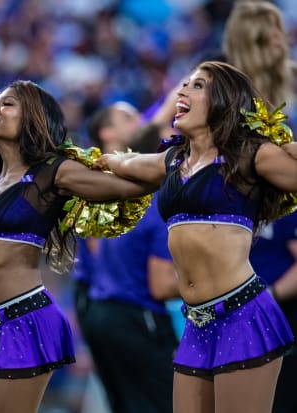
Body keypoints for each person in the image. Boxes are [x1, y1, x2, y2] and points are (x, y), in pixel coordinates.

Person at [97, 60, 297, 412]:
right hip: (196, 322)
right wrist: (92, 161)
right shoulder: (173, 161)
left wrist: (289, 147)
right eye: (184, 84)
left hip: (243, 314)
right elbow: (125, 163)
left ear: (224, 101)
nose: (183, 90)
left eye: (198, 85)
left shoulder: (251, 154)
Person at [0, 80, 156, 413]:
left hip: (26, 319)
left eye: (8, 104)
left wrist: (168, 161)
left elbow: (127, 188)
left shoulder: (55, 173)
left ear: (33, 119)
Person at [74, 102, 180, 413]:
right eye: (127, 117)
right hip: (128, 310)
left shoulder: (118, 194)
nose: (141, 121)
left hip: (104, 306)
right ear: (107, 133)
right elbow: (160, 285)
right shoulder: (138, 196)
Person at [249, 212, 297, 413]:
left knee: (280, 392)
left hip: (281, 311)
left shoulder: (286, 208)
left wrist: (267, 296)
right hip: (242, 314)